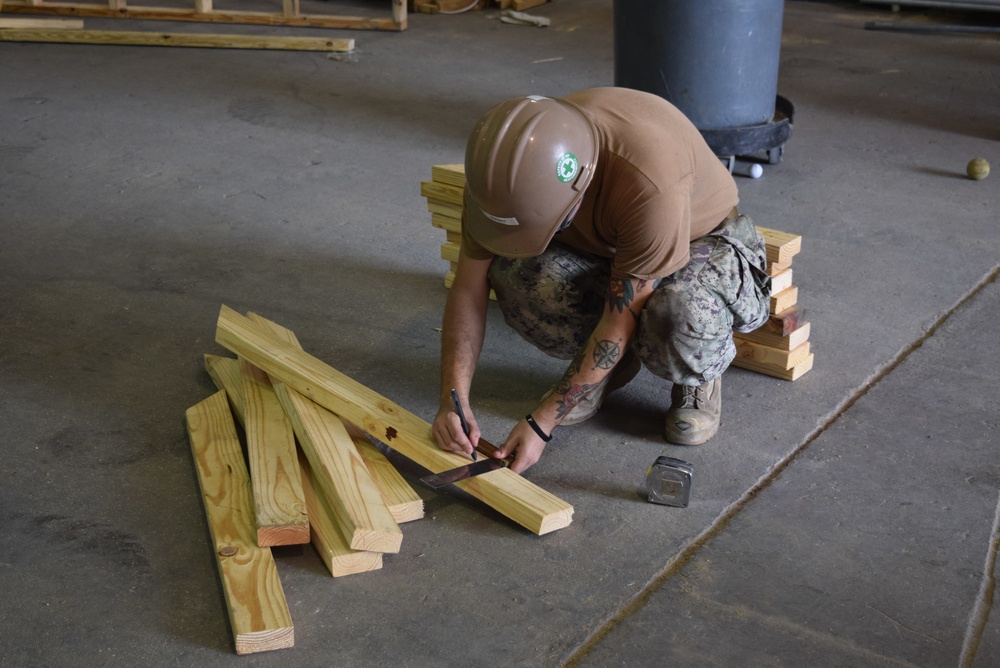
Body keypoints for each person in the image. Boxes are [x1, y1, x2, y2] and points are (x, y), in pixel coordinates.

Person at [431, 87, 771, 474]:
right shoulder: (502, 180)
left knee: (678, 311)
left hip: (702, 238)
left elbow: (620, 316)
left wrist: (542, 423)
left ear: (581, 184)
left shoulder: (648, 177)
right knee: (520, 275)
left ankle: (699, 376)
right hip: (610, 244)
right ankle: (610, 370)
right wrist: (452, 400)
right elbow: (468, 288)